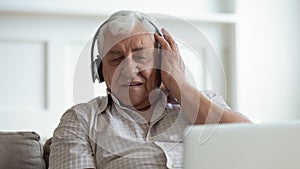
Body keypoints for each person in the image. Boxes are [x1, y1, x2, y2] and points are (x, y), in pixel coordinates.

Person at [49, 10, 251, 169]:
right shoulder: (81, 120)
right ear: (100, 71)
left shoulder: (203, 102)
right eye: (116, 58)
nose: (128, 69)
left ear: (162, 60)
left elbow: (252, 142)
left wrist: (179, 83)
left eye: (141, 56)